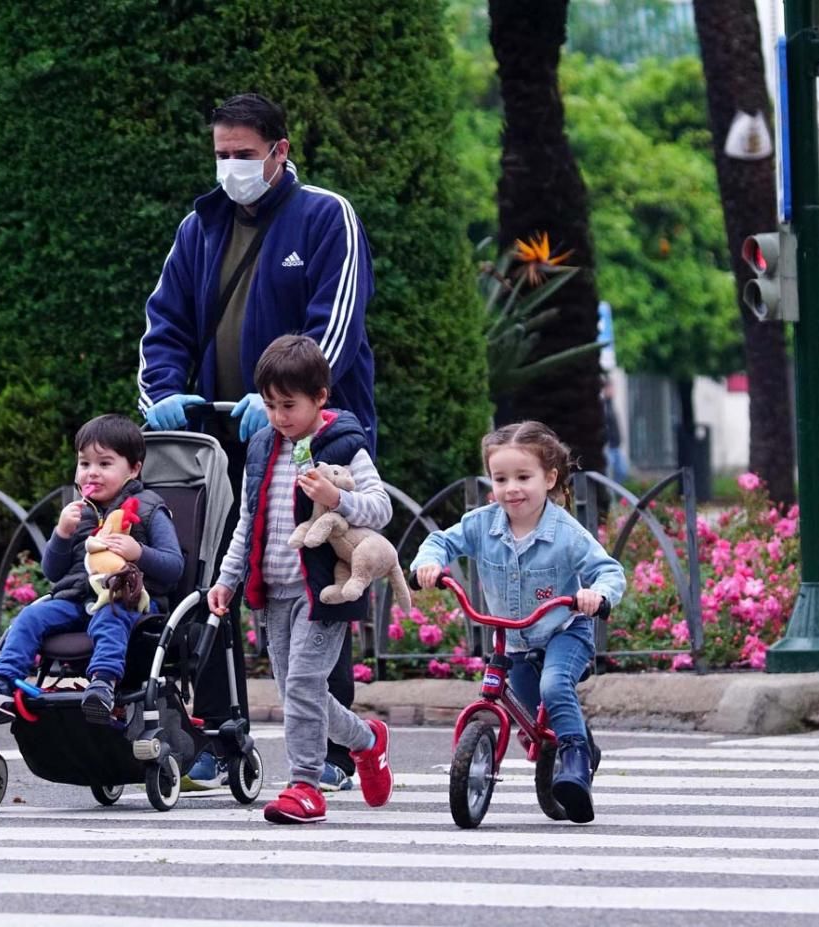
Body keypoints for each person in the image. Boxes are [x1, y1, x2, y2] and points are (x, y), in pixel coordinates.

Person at [136, 92, 374, 791]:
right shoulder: (200, 226)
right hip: (218, 432)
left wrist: (278, 406)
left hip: (309, 436)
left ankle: (332, 747)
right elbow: (164, 327)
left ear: (280, 151)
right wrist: (162, 399)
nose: (231, 166)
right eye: (221, 154)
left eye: (244, 154)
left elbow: (335, 330)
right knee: (211, 573)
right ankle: (216, 731)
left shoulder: (326, 216)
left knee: (311, 581)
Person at [207, 334, 394, 824]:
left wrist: (337, 500)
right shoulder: (263, 445)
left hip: (324, 590)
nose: (279, 416)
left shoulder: (344, 444)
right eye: (270, 405)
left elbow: (381, 508)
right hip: (272, 591)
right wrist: (229, 578)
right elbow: (249, 520)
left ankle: (305, 785)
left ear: (321, 398)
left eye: (289, 405)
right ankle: (368, 741)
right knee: (299, 693)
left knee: (307, 682)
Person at [410, 421, 625, 824]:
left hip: (565, 630)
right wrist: (428, 563)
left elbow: (608, 570)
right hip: (513, 639)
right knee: (531, 707)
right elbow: (441, 541)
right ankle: (552, 745)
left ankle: (578, 760)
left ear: (550, 478)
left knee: (553, 686)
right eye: (501, 478)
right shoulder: (482, 524)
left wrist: (597, 595)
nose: (512, 488)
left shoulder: (566, 533)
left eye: (524, 477)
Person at [0, 414, 184, 726]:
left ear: (133, 469)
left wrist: (139, 552)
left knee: (111, 615)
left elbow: (174, 568)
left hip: (129, 601)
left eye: (104, 464)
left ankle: (102, 685)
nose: (92, 473)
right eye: (84, 464)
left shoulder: (148, 508)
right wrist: (62, 534)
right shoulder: (78, 511)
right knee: (31, 617)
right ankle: (1, 683)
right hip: (76, 600)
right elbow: (53, 571)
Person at [602, 375, 629, 484]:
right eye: (610, 388)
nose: (613, 390)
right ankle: (610, 498)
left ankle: (616, 494)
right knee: (608, 475)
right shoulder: (602, 405)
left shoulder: (612, 404)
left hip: (616, 446)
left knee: (623, 471)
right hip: (608, 447)